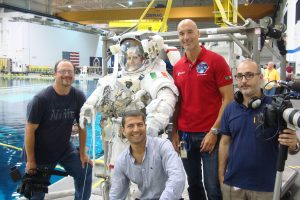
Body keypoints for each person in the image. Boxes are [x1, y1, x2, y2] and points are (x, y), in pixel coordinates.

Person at [79, 31, 180, 198]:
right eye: (128, 57)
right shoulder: (114, 77)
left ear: (144, 56)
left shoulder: (152, 74)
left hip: (145, 138)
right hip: (118, 139)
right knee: (116, 179)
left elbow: (166, 96)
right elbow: (99, 93)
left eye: (135, 57)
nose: (131, 61)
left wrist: (154, 123)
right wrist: (88, 108)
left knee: (145, 183)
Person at [218, 59, 299, 200]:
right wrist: (221, 174)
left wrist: (294, 145)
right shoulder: (230, 109)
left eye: (249, 75)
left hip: (266, 187)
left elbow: (293, 147)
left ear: (261, 78)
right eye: (240, 76)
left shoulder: (277, 107)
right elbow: (225, 143)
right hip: (233, 184)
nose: (243, 80)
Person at [171, 19, 234, 200]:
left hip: (210, 134)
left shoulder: (216, 61)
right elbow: (177, 102)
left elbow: (228, 99)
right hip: (185, 136)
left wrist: (214, 131)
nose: (186, 37)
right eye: (181, 34)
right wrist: (174, 131)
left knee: (213, 186)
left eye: (190, 32)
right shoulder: (178, 68)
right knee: (193, 183)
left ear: (198, 34)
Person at [24, 59, 92, 200]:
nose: (67, 74)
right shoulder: (41, 99)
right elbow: (29, 130)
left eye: (70, 72)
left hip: (64, 149)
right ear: (55, 74)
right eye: (62, 71)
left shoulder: (78, 96)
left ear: (74, 75)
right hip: (41, 153)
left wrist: (82, 152)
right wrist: (31, 161)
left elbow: (81, 125)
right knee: (36, 194)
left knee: (85, 169)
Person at [109, 110, 186, 199]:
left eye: (140, 125)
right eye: (130, 126)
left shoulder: (163, 146)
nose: (136, 129)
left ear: (145, 127)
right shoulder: (122, 161)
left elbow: (177, 178)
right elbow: (116, 195)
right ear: (123, 131)